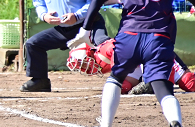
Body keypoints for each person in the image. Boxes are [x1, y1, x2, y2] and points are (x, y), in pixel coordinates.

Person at [21, 0, 109, 92]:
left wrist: (77, 15)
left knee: (105, 44)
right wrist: (44, 16)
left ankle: (128, 77)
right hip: (63, 30)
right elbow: (38, 3)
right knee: (32, 44)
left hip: (89, 24)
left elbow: (94, 1)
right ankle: (40, 81)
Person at [67, 39, 195, 94]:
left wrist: (147, 77)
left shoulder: (104, 49)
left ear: (88, 54)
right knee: (121, 87)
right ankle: (150, 80)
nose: (84, 68)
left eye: (83, 64)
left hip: (154, 53)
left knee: (189, 84)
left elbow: (124, 50)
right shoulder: (99, 62)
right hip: (138, 63)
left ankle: (151, 79)